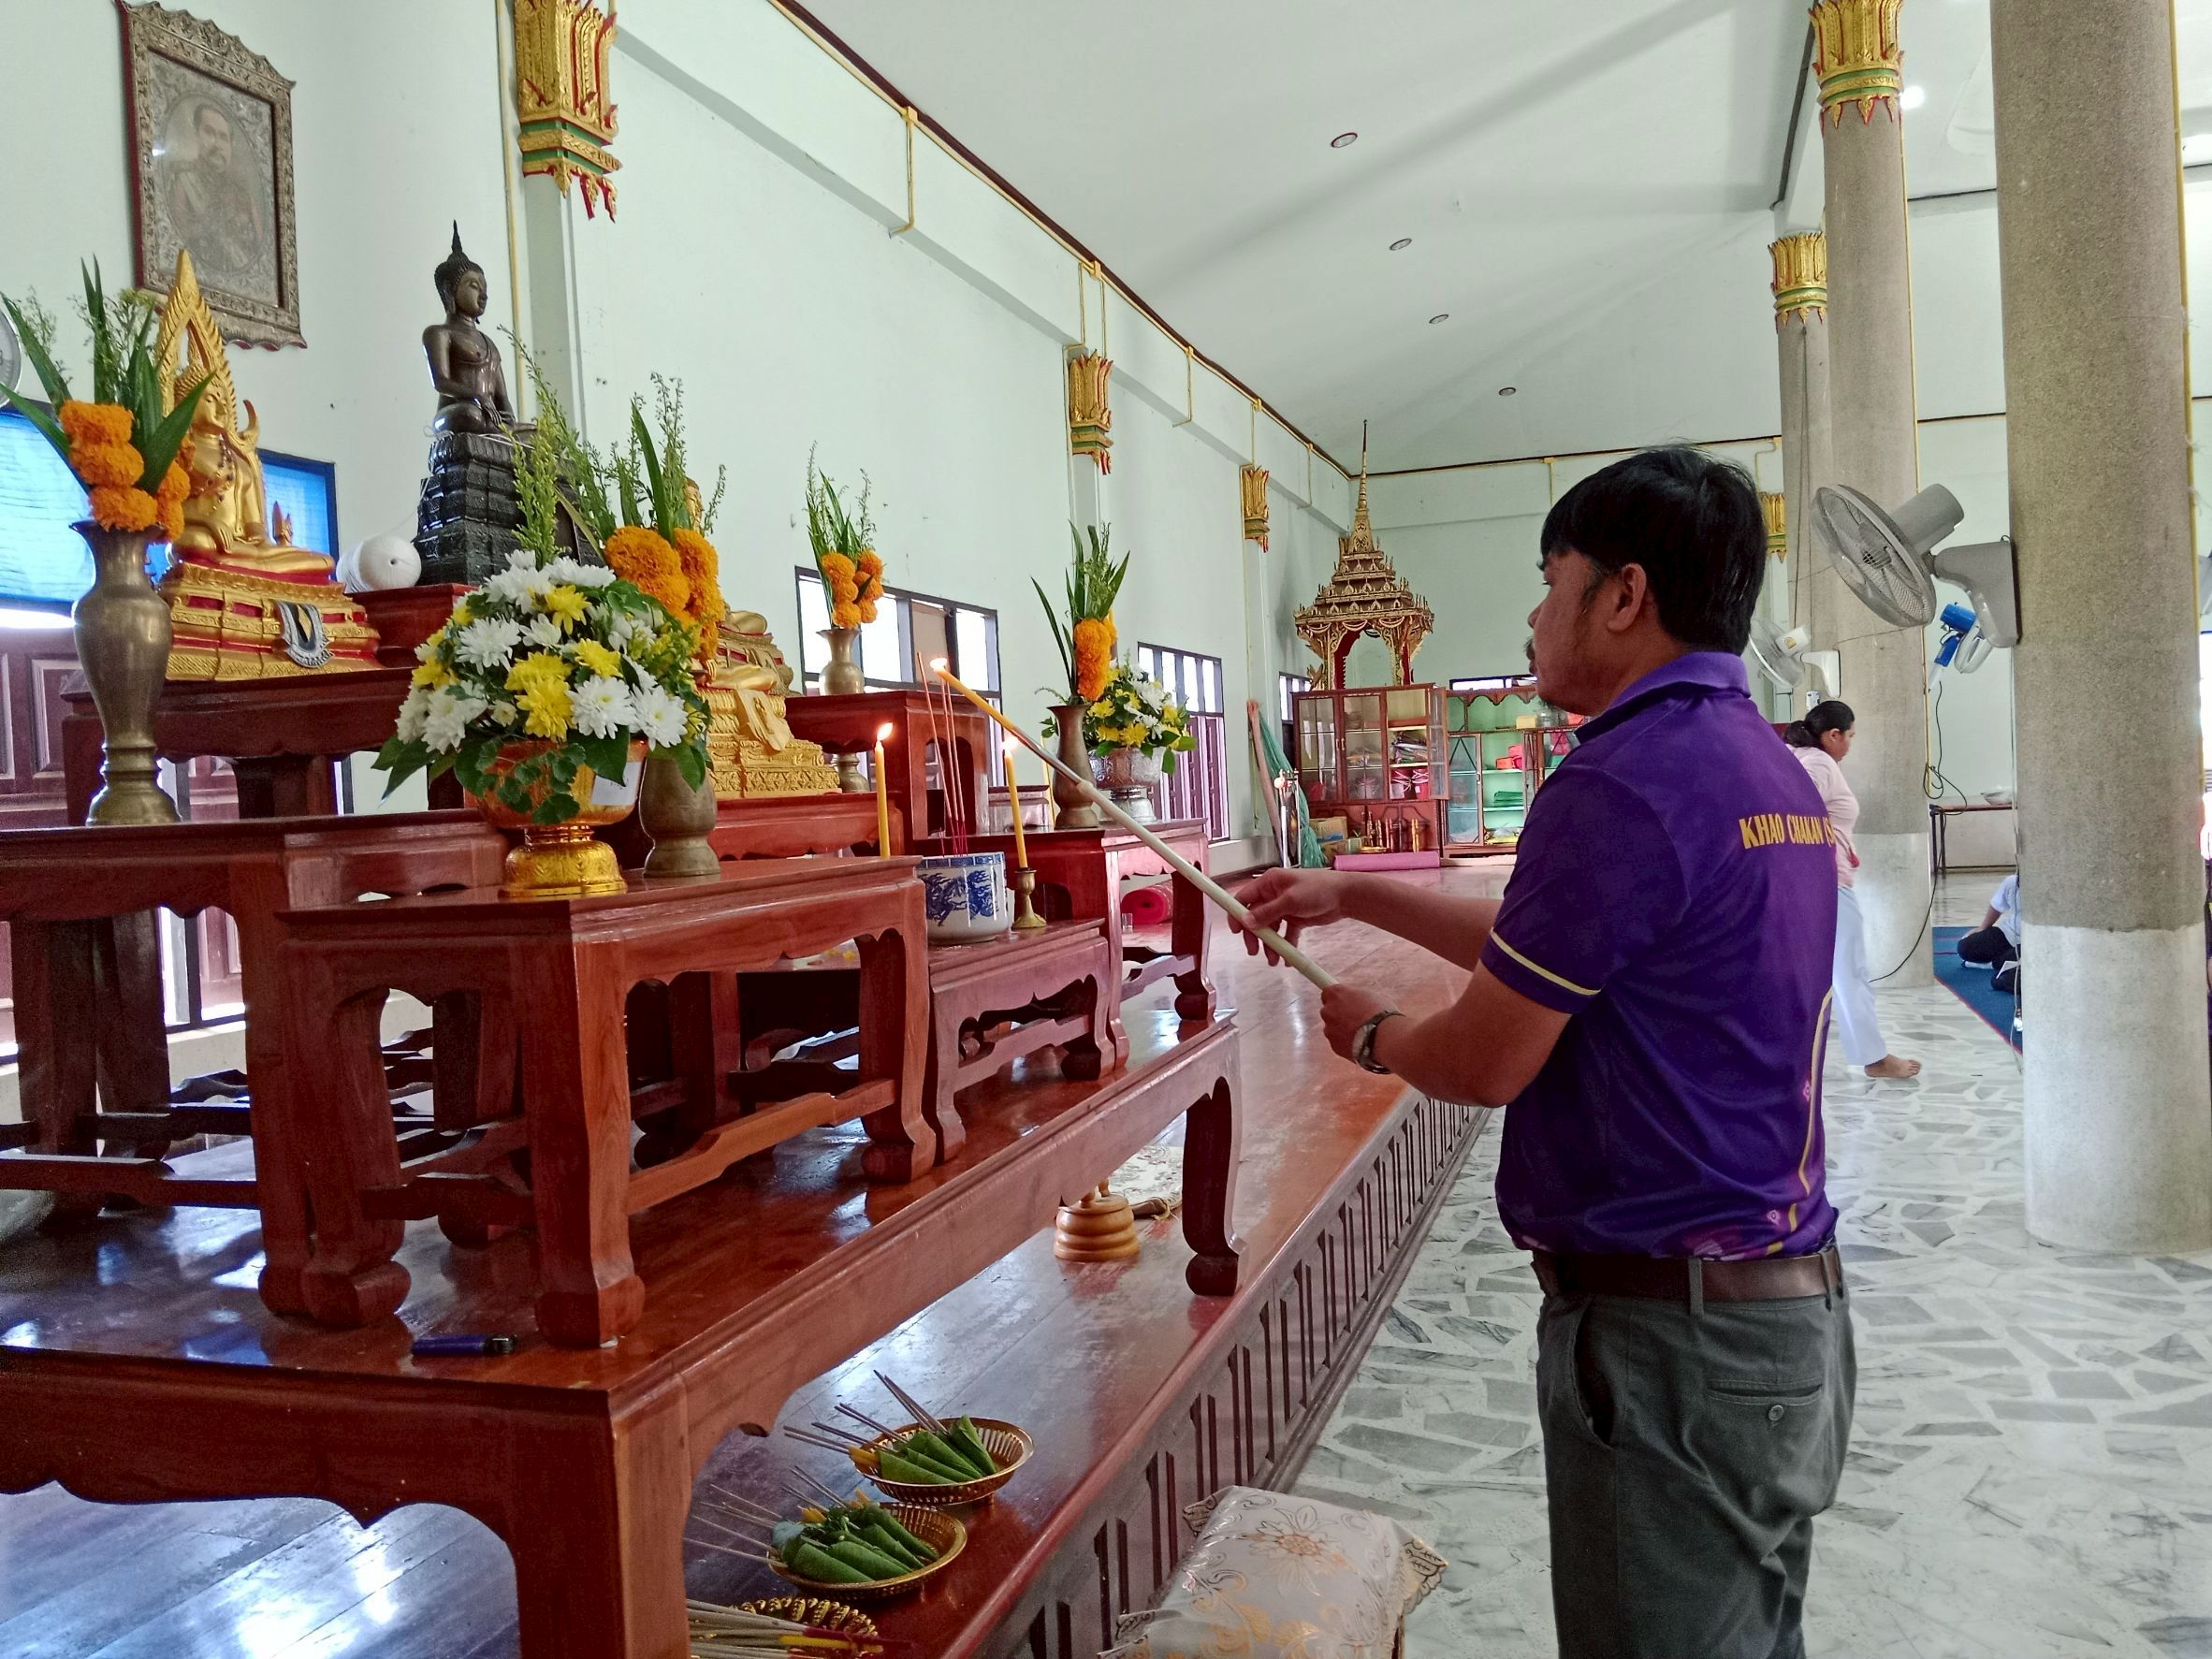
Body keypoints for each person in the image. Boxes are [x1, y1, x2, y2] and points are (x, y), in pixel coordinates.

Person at [1233, 447, 1854, 1659]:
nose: (1531, 615)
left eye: (1549, 578)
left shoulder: (1621, 779)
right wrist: (1353, 892)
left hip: (1674, 1347)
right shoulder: (1760, 767)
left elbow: (1485, 1059)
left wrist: (1374, 1031)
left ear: (1623, 594)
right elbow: (1556, 943)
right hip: (1780, 1322)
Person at [1785, 702, 1923, 1081]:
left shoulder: (1796, 755)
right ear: (1833, 735)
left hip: (1806, 879)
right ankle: (1873, 1057)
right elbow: (1790, 805)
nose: (1849, 744)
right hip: (1825, 882)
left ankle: (1791, 1054)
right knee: (1850, 969)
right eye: (1850, 736)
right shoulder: (1819, 762)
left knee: (1808, 971)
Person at [163, 98, 268, 287]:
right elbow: (176, 243)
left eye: (223, 137)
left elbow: (259, 255)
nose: (217, 144)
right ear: (197, 135)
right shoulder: (184, 180)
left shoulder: (244, 197)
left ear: (231, 145)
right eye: (209, 132)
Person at [1958, 871, 2020, 994]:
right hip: (2010, 932)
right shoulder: (2012, 882)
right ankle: (2002, 963)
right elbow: (1997, 906)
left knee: (2006, 973)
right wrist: (1983, 928)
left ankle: (1992, 964)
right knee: (1965, 947)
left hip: (2032, 942)